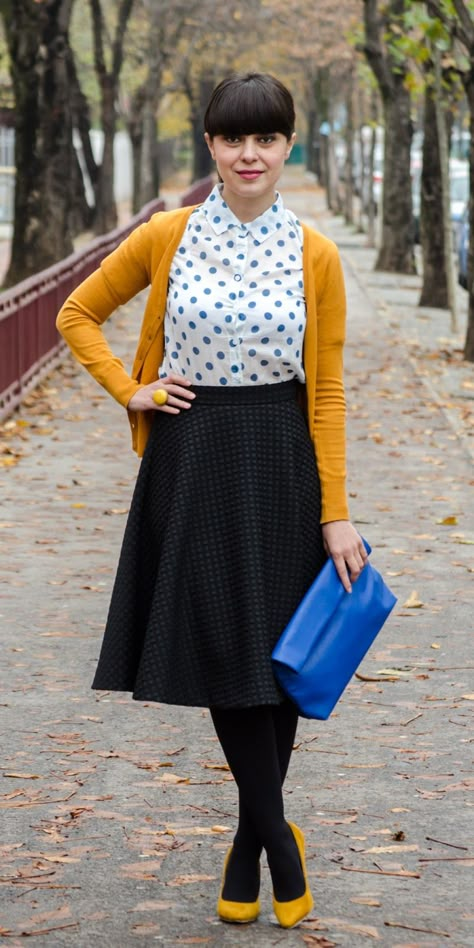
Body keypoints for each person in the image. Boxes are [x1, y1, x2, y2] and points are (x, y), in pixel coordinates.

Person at [56, 72, 367, 929]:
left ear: (287, 145)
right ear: (211, 147)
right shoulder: (166, 235)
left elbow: (330, 391)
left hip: (283, 459)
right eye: (234, 139)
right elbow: (78, 313)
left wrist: (336, 510)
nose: (250, 154)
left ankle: (245, 844)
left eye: (266, 138)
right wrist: (133, 388)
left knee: (277, 660)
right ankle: (280, 838)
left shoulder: (318, 253)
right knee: (230, 645)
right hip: (193, 459)